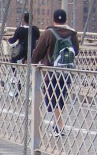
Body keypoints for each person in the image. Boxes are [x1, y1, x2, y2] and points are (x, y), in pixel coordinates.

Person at [31, 8, 79, 136]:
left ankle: (59, 126)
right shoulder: (72, 34)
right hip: (66, 71)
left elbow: (39, 51)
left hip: (51, 72)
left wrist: (33, 62)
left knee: (52, 98)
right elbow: (76, 51)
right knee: (60, 97)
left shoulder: (49, 33)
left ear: (53, 19)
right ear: (66, 20)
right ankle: (57, 125)